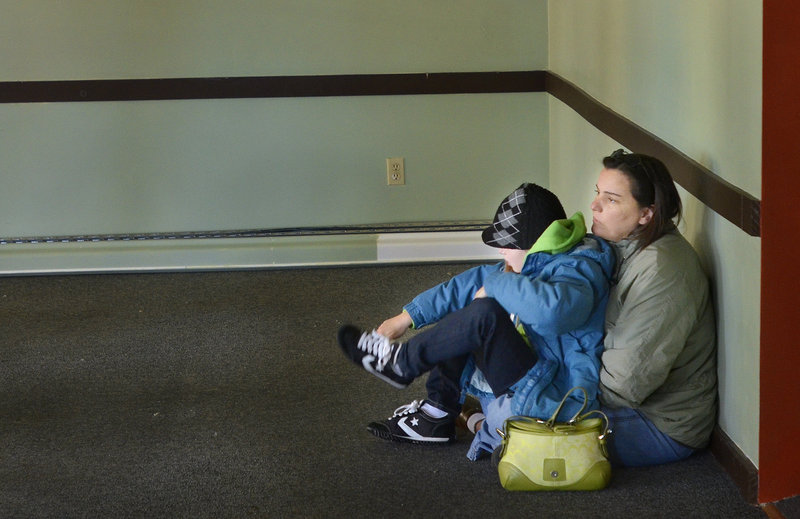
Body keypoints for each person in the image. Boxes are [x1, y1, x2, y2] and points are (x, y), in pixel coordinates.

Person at [336, 183, 616, 461]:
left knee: (485, 314)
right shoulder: (527, 264)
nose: (501, 252)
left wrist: (496, 284)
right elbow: (462, 287)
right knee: (468, 312)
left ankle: (402, 363)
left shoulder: (577, 269)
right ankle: (435, 415)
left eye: (507, 246)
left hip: (555, 393)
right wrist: (406, 318)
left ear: (533, 244)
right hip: (529, 376)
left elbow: (555, 313)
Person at [590, 149, 717, 467]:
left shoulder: (663, 271)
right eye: (597, 194)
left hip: (660, 424)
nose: (595, 206)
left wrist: (557, 389)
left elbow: (625, 385)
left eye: (612, 199)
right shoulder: (626, 246)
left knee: (516, 414)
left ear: (646, 214)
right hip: (628, 399)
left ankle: (482, 423)